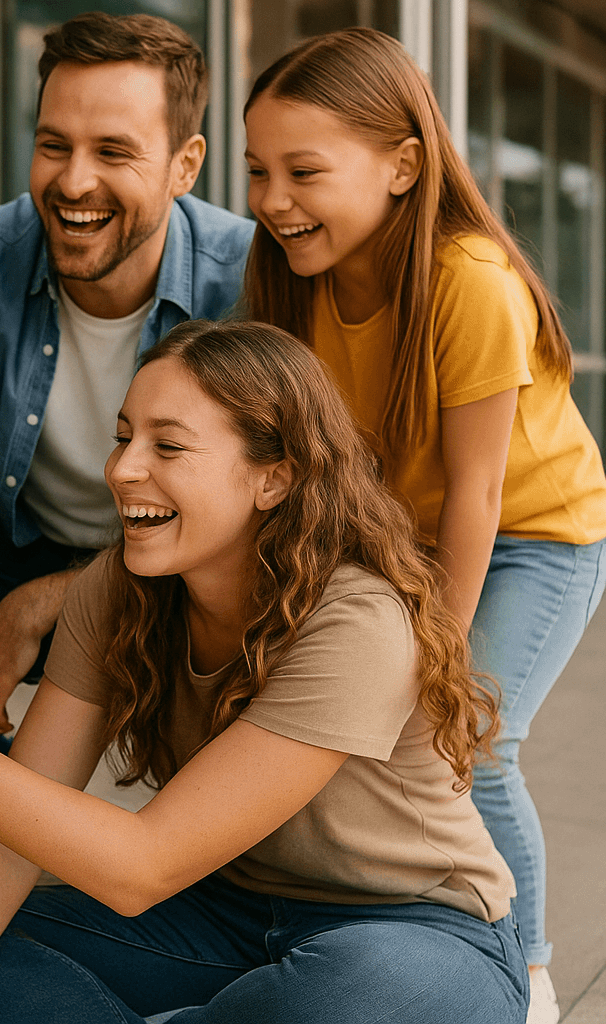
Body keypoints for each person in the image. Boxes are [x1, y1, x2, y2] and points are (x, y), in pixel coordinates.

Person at [0, 319, 528, 1024]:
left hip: (413, 931)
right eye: (124, 437)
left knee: (340, 1003)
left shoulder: (357, 620)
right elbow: (5, 839)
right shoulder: (117, 586)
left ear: (273, 478)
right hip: (220, 913)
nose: (123, 470)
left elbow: (142, 866)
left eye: (168, 447)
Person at [0, 11, 253, 924]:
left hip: (193, 572)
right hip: (30, 545)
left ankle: (220, 859)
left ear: (185, 167)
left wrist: (48, 603)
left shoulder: (247, 276)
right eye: (53, 144)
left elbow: (270, 513)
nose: (73, 182)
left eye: (114, 150)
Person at [240, 28, 606, 1024]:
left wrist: (432, 660)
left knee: (471, 741)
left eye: (303, 171)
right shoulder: (296, 282)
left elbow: (478, 493)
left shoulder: (470, 279)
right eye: (259, 171)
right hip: (399, 533)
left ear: (404, 165)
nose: (273, 200)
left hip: (538, 534)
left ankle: (524, 975)